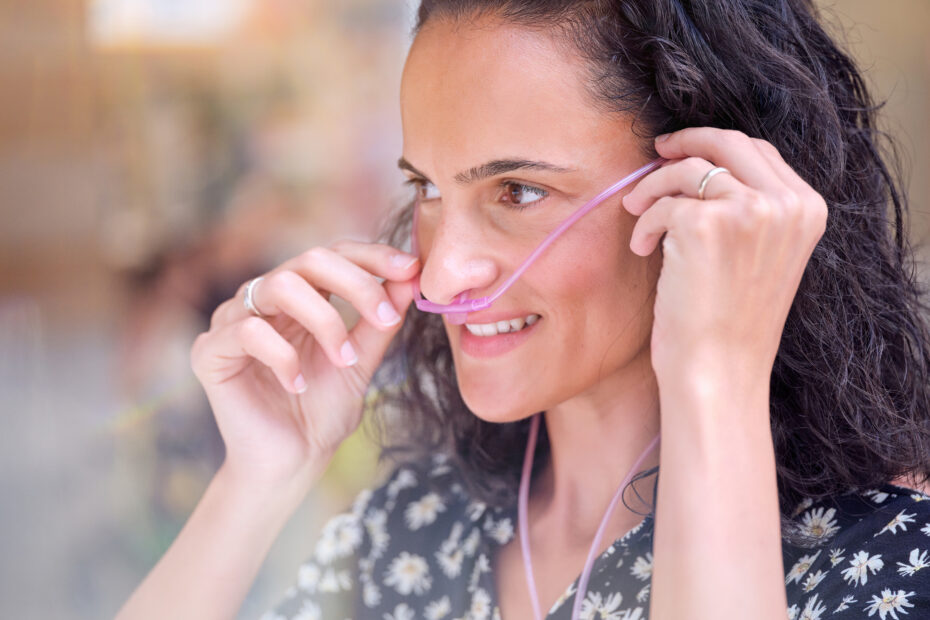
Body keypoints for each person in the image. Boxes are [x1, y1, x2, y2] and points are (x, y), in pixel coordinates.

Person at [116, 1, 930, 619]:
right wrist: (258, 477)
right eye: (428, 187)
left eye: (520, 190)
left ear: (710, 187)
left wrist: (715, 374)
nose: (445, 267)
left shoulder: (883, 560)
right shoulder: (411, 530)